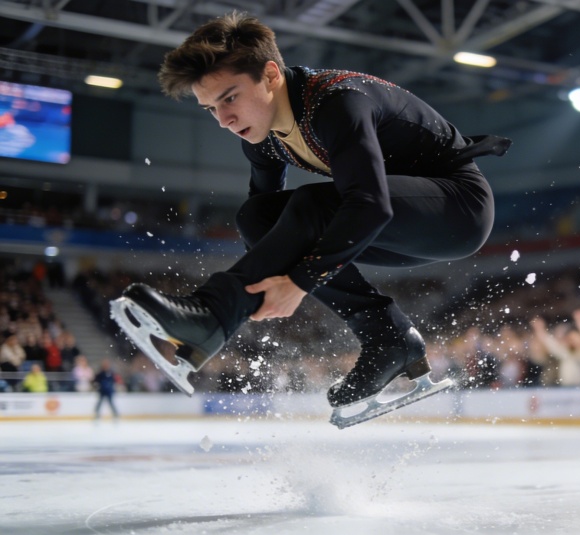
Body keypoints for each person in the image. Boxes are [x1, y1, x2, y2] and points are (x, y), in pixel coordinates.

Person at [110, 13, 510, 426]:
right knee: (256, 216)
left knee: (315, 204)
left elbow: (369, 204)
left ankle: (210, 317)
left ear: (269, 75)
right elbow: (267, 231)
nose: (224, 121)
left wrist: (299, 282)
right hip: (394, 219)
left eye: (229, 98)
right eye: (211, 109)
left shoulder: (337, 101)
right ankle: (387, 339)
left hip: (460, 209)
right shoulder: (261, 138)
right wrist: (258, 291)